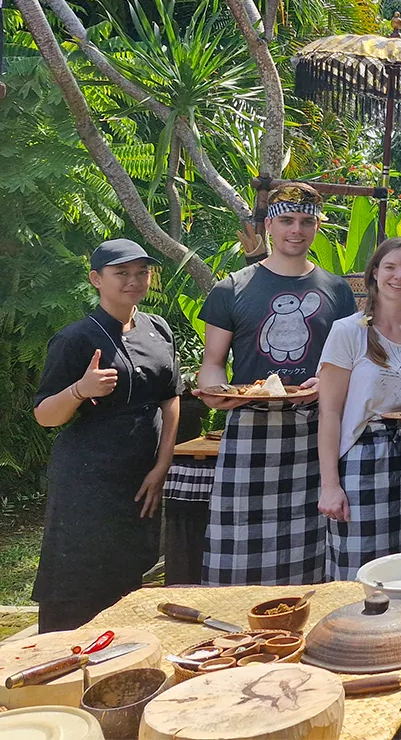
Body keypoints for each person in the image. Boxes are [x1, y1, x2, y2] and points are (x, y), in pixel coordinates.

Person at [197, 182, 355, 584]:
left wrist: (326, 383)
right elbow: (212, 364)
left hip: (317, 429)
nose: (296, 230)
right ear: (269, 224)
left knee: (317, 546)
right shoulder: (231, 288)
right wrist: (217, 394)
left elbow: (349, 364)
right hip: (250, 427)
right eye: (286, 220)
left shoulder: (336, 291)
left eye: (306, 221)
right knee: (240, 548)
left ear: (317, 226)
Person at [33, 239, 182, 631]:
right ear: (96, 279)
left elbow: (171, 399)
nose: (134, 281)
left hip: (141, 476)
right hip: (87, 480)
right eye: (122, 274)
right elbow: (45, 415)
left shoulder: (158, 329)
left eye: (141, 273)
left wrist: (162, 466)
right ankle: (60, 663)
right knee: (78, 578)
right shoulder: (75, 339)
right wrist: (80, 389)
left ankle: (122, 659)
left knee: (129, 571)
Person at [317, 237, 401, 577]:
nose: (400, 276)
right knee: (362, 568)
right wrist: (330, 485)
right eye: (391, 267)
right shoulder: (347, 331)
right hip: (364, 460)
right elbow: (330, 413)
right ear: (375, 273)